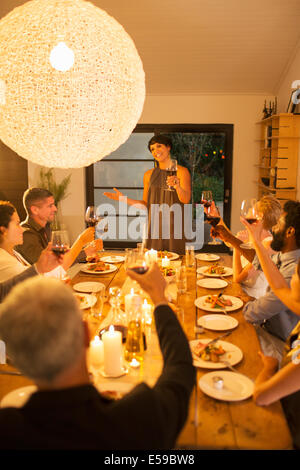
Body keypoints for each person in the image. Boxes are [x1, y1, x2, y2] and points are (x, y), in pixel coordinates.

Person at [0, 264, 195, 450]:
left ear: (15, 358)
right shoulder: (138, 419)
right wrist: (159, 299)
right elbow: (180, 369)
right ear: (86, 333)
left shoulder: (8, 429)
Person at [211, 200, 300, 358]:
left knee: (220, 336)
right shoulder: (285, 256)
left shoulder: (294, 271)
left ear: (290, 232)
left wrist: (229, 309)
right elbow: (260, 261)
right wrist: (240, 239)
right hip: (266, 328)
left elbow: (252, 314)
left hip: (281, 346)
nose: (274, 228)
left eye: (279, 223)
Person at [104, 134, 191, 254]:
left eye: (159, 146)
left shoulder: (182, 171)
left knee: (175, 264)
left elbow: (186, 200)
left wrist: (177, 187)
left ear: (168, 147)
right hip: (154, 227)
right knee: (153, 264)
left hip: (174, 226)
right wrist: (123, 199)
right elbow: (145, 204)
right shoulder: (148, 175)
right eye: (152, 149)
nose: (156, 151)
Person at [0, 200, 95, 282]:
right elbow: (41, 281)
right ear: (3, 230)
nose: (22, 229)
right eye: (17, 224)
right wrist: (81, 240)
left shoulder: (14, 253)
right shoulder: (4, 261)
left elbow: (46, 274)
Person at [15, 188, 103, 264]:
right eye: (50, 206)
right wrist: (82, 243)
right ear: (35, 210)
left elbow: (59, 257)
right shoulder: (26, 234)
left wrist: (86, 252)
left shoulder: (46, 228)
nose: (55, 209)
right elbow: (52, 265)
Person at [232, 195, 281, 299]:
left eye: (252, 208)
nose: (249, 210)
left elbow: (238, 277)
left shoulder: (268, 245)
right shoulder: (254, 237)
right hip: (241, 291)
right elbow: (228, 240)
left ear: (260, 216)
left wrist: (237, 246)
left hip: (254, 301)